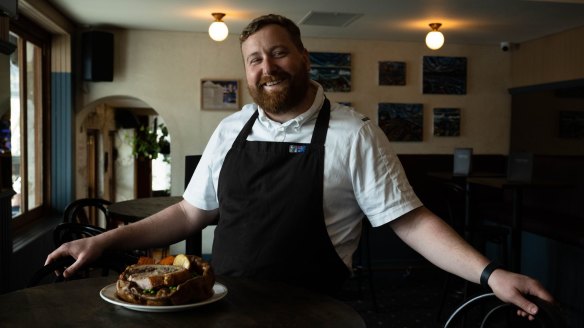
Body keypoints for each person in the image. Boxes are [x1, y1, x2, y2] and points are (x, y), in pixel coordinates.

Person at [46, 13, 552, 320]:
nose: (266, 67)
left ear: (304, 57)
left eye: (278, 52)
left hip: (312, 316)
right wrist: (103, 241)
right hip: (221, 309)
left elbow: (410, 220)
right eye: (254, 59)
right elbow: (189, 214)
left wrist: (490, 275)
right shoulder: (231, 130)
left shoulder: (354, 134)